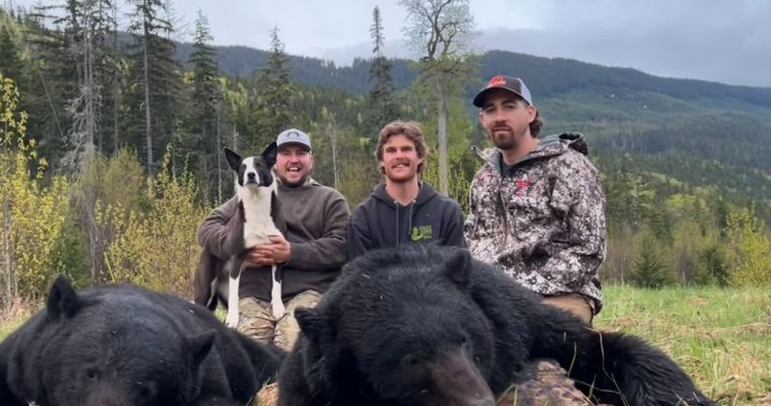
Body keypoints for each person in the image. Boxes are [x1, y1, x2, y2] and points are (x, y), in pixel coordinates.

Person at [465, 75, 606, 325]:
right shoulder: (483, 179)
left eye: (509, 106)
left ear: (530, 113)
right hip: (490, 297)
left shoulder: (568, 167)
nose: (499, 116)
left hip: (558, 294)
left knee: (543, 356)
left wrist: (520, 292)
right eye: (490, 110)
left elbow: (588, 251)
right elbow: (472, 240)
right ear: (482, 120)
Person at [197, 128, 350, 350]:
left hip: (307, 294)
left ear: (311, 161)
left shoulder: (329, 199)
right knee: (243, 355)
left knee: (294, 352)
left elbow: (341, 246)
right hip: (252, 297)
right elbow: (207, 228)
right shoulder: (248, 195)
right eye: (286, 153)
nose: (293, 160)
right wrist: (235, 243)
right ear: (274, 162)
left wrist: (292, 253)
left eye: (301, 153)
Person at [348, 121, 465, 258]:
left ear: (420, 156)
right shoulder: (363, 217)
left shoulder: (448, 212)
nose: (399, 156)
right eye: (391, 151)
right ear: (381, 160)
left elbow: (458, 271)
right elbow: (359, 275)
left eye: (406, 149)